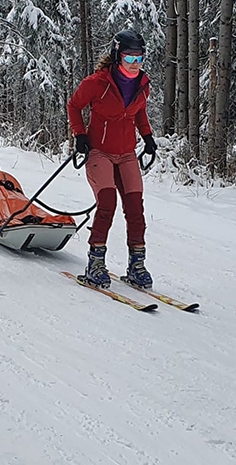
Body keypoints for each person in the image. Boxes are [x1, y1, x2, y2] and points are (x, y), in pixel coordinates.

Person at [67, 29, 158, 289]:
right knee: (107, 203)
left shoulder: (143, 84)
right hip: (99, 152)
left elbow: (139, 113)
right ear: (117, 55)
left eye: (139, 58)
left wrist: (148, 137)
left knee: (135, 207)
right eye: (129, 58)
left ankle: (137, 265)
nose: (134, 64)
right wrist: (80, 135)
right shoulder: (97, 82)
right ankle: (95, 262)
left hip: (127, 153)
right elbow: (74, 106)